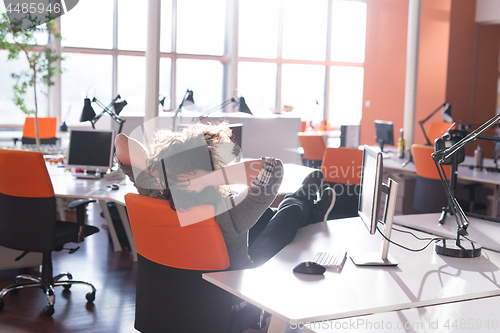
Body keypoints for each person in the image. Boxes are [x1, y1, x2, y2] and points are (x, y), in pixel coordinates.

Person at [115, 123, 335, 269]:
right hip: (233, 292)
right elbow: (273, 169)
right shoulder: (226, 214)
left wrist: (158, 170)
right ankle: (305, 198)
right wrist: (205, 180)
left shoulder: (152, 192)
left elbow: (121, 143)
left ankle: (307, 205)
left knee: (267, 214)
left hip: (173, 297)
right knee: (285, 217)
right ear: (214, 167)